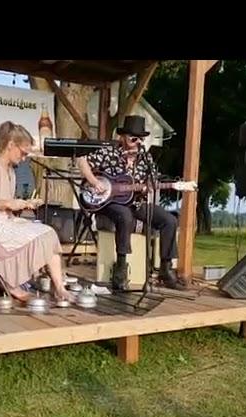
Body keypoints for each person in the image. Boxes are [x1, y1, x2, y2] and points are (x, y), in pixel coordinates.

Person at [0, 121, 73, 302]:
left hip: (4, 220)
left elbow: (6, 203)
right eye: (23, 153)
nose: (24, 158)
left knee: (48, 232)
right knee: (43, 233)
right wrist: (7, 204)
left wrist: (25, 204)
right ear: (10, 145)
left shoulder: (11, 171)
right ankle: (14, 285)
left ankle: (60, 288)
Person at [78, 115, 184, 291]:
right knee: (124, 215)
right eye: (132, 138)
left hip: (136, 202)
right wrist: (94, 182)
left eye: (140, 139)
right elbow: (82, 161)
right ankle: (120, 269)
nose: (136, 142)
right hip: (110, 203)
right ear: (123, 137)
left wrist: (148, 187)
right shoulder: (110, 152)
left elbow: (152, 180)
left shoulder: (145, 159)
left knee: (169, 220)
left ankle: (166, 268)